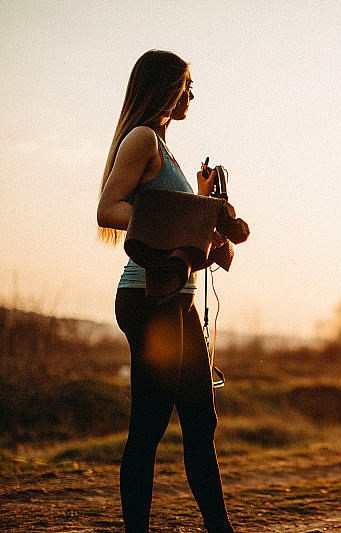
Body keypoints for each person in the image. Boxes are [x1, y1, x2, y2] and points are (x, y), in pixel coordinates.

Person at [97, 49, 235, 533]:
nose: (193, 94)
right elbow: (108, 208)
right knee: (150, 427)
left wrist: (201, 206)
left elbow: (177, 224)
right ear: (166, 87)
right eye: (187, 84)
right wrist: (174, 221)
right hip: (148, 297)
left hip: (178, 299)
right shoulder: (141, 138)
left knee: (201, 423)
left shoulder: (164, 146)